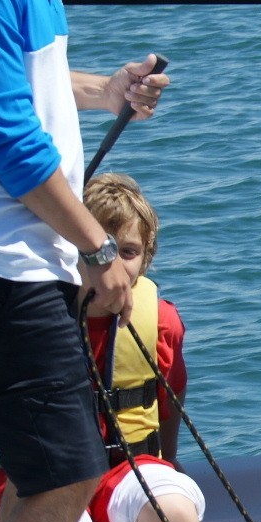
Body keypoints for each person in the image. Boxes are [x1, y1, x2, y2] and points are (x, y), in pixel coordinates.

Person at [0, 0, 169, 522]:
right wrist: (98, 248)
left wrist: (103, 91)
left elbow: (22, 82)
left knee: (50, 471)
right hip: (1, 261)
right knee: (64, 475)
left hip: (22, 256)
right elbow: (3, 136)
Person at [0, 383, 204, 522]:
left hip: (129, 467)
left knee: (174, 516)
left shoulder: (157, 327)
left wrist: (168, 456)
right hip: (38, 473)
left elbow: (171, 382)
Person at [79, 172, 187, 464]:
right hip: (52, 473)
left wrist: (169, 460)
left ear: (145, 257)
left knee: (178, 496)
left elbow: (172, 393)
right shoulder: (34, 317)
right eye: (101, 251)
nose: (112, 265)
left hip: (133, 466)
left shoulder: (162, 321)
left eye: (127, 252)